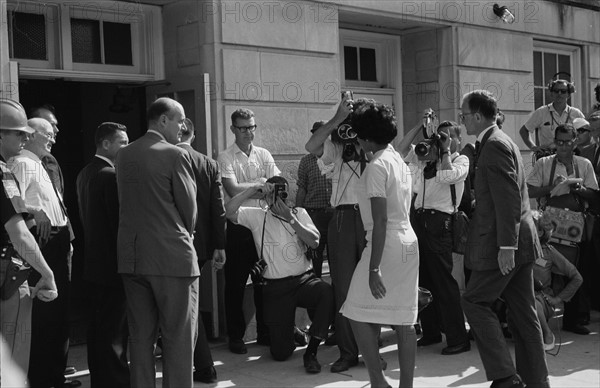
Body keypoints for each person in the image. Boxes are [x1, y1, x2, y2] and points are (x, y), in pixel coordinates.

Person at [460, 89, 549, 388]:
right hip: (518, 241)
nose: (461, 122)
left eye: (463, 116)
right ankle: (537, 382)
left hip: (508, 243)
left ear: (477, 115)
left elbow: (508, 200)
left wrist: (506, 247)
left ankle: (505, 376)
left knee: (473, 301)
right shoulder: (499, 141)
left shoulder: (495, 145)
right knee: (524, 315)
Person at [116, 97, 199, 388]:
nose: (183, 127)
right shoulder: (175, 154)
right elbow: (189, 210)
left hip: (133, 257)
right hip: (172, 258)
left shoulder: (123, 155)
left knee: (140, 338)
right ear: (163, 120)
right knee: (178, 338)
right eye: (180, 120)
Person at [339, 101, 419, 388]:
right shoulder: (396, 158)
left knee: (354, 310)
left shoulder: (377, 165)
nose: (357, 140)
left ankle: (378, 381)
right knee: (404, 319)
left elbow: (380, 220)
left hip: (386, 241)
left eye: (359, 134)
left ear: (366, 137)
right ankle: (402, 385)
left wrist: (373, 268)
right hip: (408, 239)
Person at [225, 176, 334, 374]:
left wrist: (290, 219)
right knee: (280, 353)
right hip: (276, 288)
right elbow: (228, 211)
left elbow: (315, 241)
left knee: (326, 292)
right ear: (266, 197)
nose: (278, 199)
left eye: (282, 194)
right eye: (274, 194)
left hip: (303, 281)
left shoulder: (299, 213)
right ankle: (290, 331)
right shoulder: (258, 216)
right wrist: (253, 190)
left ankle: (311, 351)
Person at [9, 117, 78, 388]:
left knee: (58, 312)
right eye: (48, 133)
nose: (54, 137)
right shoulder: (21, 164)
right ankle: (41, 377)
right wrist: (35, 213)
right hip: (42, 242)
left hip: (58, 241)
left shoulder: (38, 163)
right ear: (32, 135)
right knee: (44, 313)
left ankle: (53, 376)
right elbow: (13, 204)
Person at [397, 119, 470, 355]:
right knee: (423, 280)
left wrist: (446, 150)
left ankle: (458, 338)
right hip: (418, 219)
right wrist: (421, 128)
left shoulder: (460, 159)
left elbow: (448, 176)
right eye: (440, 136)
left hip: (441, 222)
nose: (442, 140)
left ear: (458, 140)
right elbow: (400, 150)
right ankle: (430, 332)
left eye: (448, 136)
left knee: (444, 283)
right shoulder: (425, 157)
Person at [305, 94, 366, 373]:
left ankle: (371, 350)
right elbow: (311, 144)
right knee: (343, 288)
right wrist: (338, 120)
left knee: (370, 286)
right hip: (341, 217)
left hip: (369, 218)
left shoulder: (374, 147)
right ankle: (348, 352)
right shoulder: (337, 149)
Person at [1, 98, 57, 384]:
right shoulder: (4, 172)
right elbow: (19, 232)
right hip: (8, 276)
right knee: (12, 359)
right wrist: (47, 273)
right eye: (18, 132)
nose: (25, 137)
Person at [217, 108, 280, 354]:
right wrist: (259, 185)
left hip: (264, 226)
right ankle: (236, 336)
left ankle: (264, 331)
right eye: (243, 128)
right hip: (238, 228)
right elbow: (232, 190)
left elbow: (277, 186)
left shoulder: (264, 154)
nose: (248, 132)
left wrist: (258, 188)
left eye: (252, 127)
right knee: (234, 284)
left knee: (264, 282)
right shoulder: (225, 157)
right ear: (233, 129)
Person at [526, 123, 598, 336]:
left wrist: (580, 189)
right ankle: (540, 314)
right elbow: (529, 190)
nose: (563, 147)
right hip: (548, 227)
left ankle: (572, 319)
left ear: (575, 141)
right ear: (554, 141)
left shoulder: (584, 164)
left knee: (574, 270)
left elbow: (594, 195)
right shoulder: (543, 164)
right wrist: (552, 188)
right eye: (559, 142)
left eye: (567, 142)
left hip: (576, 227)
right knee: (543, 271)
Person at [76, 122, 130, 388]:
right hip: (112, 267)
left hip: (93, 266)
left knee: (98, 330)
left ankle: (100, 380)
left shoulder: (85, 173)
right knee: (114, 333)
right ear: (106, 144)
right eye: (122, 142)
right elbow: (118, 224)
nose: (127, 147)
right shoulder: (110, 175)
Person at [176, 118, 226, 384]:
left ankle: (204, 365)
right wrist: (219, 245)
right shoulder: (208, 163)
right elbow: (217, 208)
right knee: (188, 305)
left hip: (175, 244)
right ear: (193, 136)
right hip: (202, 246)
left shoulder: (169, 158)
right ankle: (202, 364)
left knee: (184, 308)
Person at [530, 210, 583, 351]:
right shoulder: (516, 250)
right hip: (518, 296)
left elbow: (577, 278)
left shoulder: (549, 252)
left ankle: (548, 334)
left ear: (540, 233)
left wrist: (557, 299)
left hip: (540, 299)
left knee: (533, 301)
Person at [295, 120, 333, 278]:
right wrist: (297, 214)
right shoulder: (306, 161)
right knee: (314, 258)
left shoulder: (337, 157)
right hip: (314, 216)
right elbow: (302, 188)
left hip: (334, 214)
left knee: (336, 257)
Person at [519, 78, 584, 156]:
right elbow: (524, 131)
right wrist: (534, 147)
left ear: (569, 95)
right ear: (551, 93)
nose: (559, 93)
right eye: (556, 91)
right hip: (547, 155)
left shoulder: (576, 113)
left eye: (563, 91)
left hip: (570, 155)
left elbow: (586, 133)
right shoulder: (542, 112)